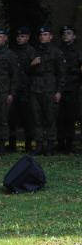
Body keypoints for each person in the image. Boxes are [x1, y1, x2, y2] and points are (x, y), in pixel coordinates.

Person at [29, 26, 66, 156]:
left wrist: (59, 91)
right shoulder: (34, 51)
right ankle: (39, 145)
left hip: (50, 88)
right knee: (37, 118)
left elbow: (62, 73)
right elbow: (26, 71)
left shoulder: (56, 52)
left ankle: (50, 145)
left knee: (50, 118)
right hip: (35, 88)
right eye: (41, 35)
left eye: (45, 34)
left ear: (50, 37)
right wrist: (32, 64)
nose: (42, 37)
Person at [57, 25, 82, 153]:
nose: (66, 35)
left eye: (69, 33)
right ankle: (60, 143)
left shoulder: (78, 53)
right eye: (64, 33)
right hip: (59, 90)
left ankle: (69, 145)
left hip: (72, 89)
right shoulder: (58, 51)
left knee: (70, 117)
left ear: (74, 36)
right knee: (59, 117)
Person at [12, 27, 36, 152]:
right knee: (12, 117)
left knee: (28, 118)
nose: (19, 38)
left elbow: (34, 70)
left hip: (26, 88)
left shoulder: (31, 51)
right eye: (18, 36)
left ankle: (28, 144)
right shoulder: (14, 51)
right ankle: (11, 144)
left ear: (27, 38)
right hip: (14, 88)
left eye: (22, 36)